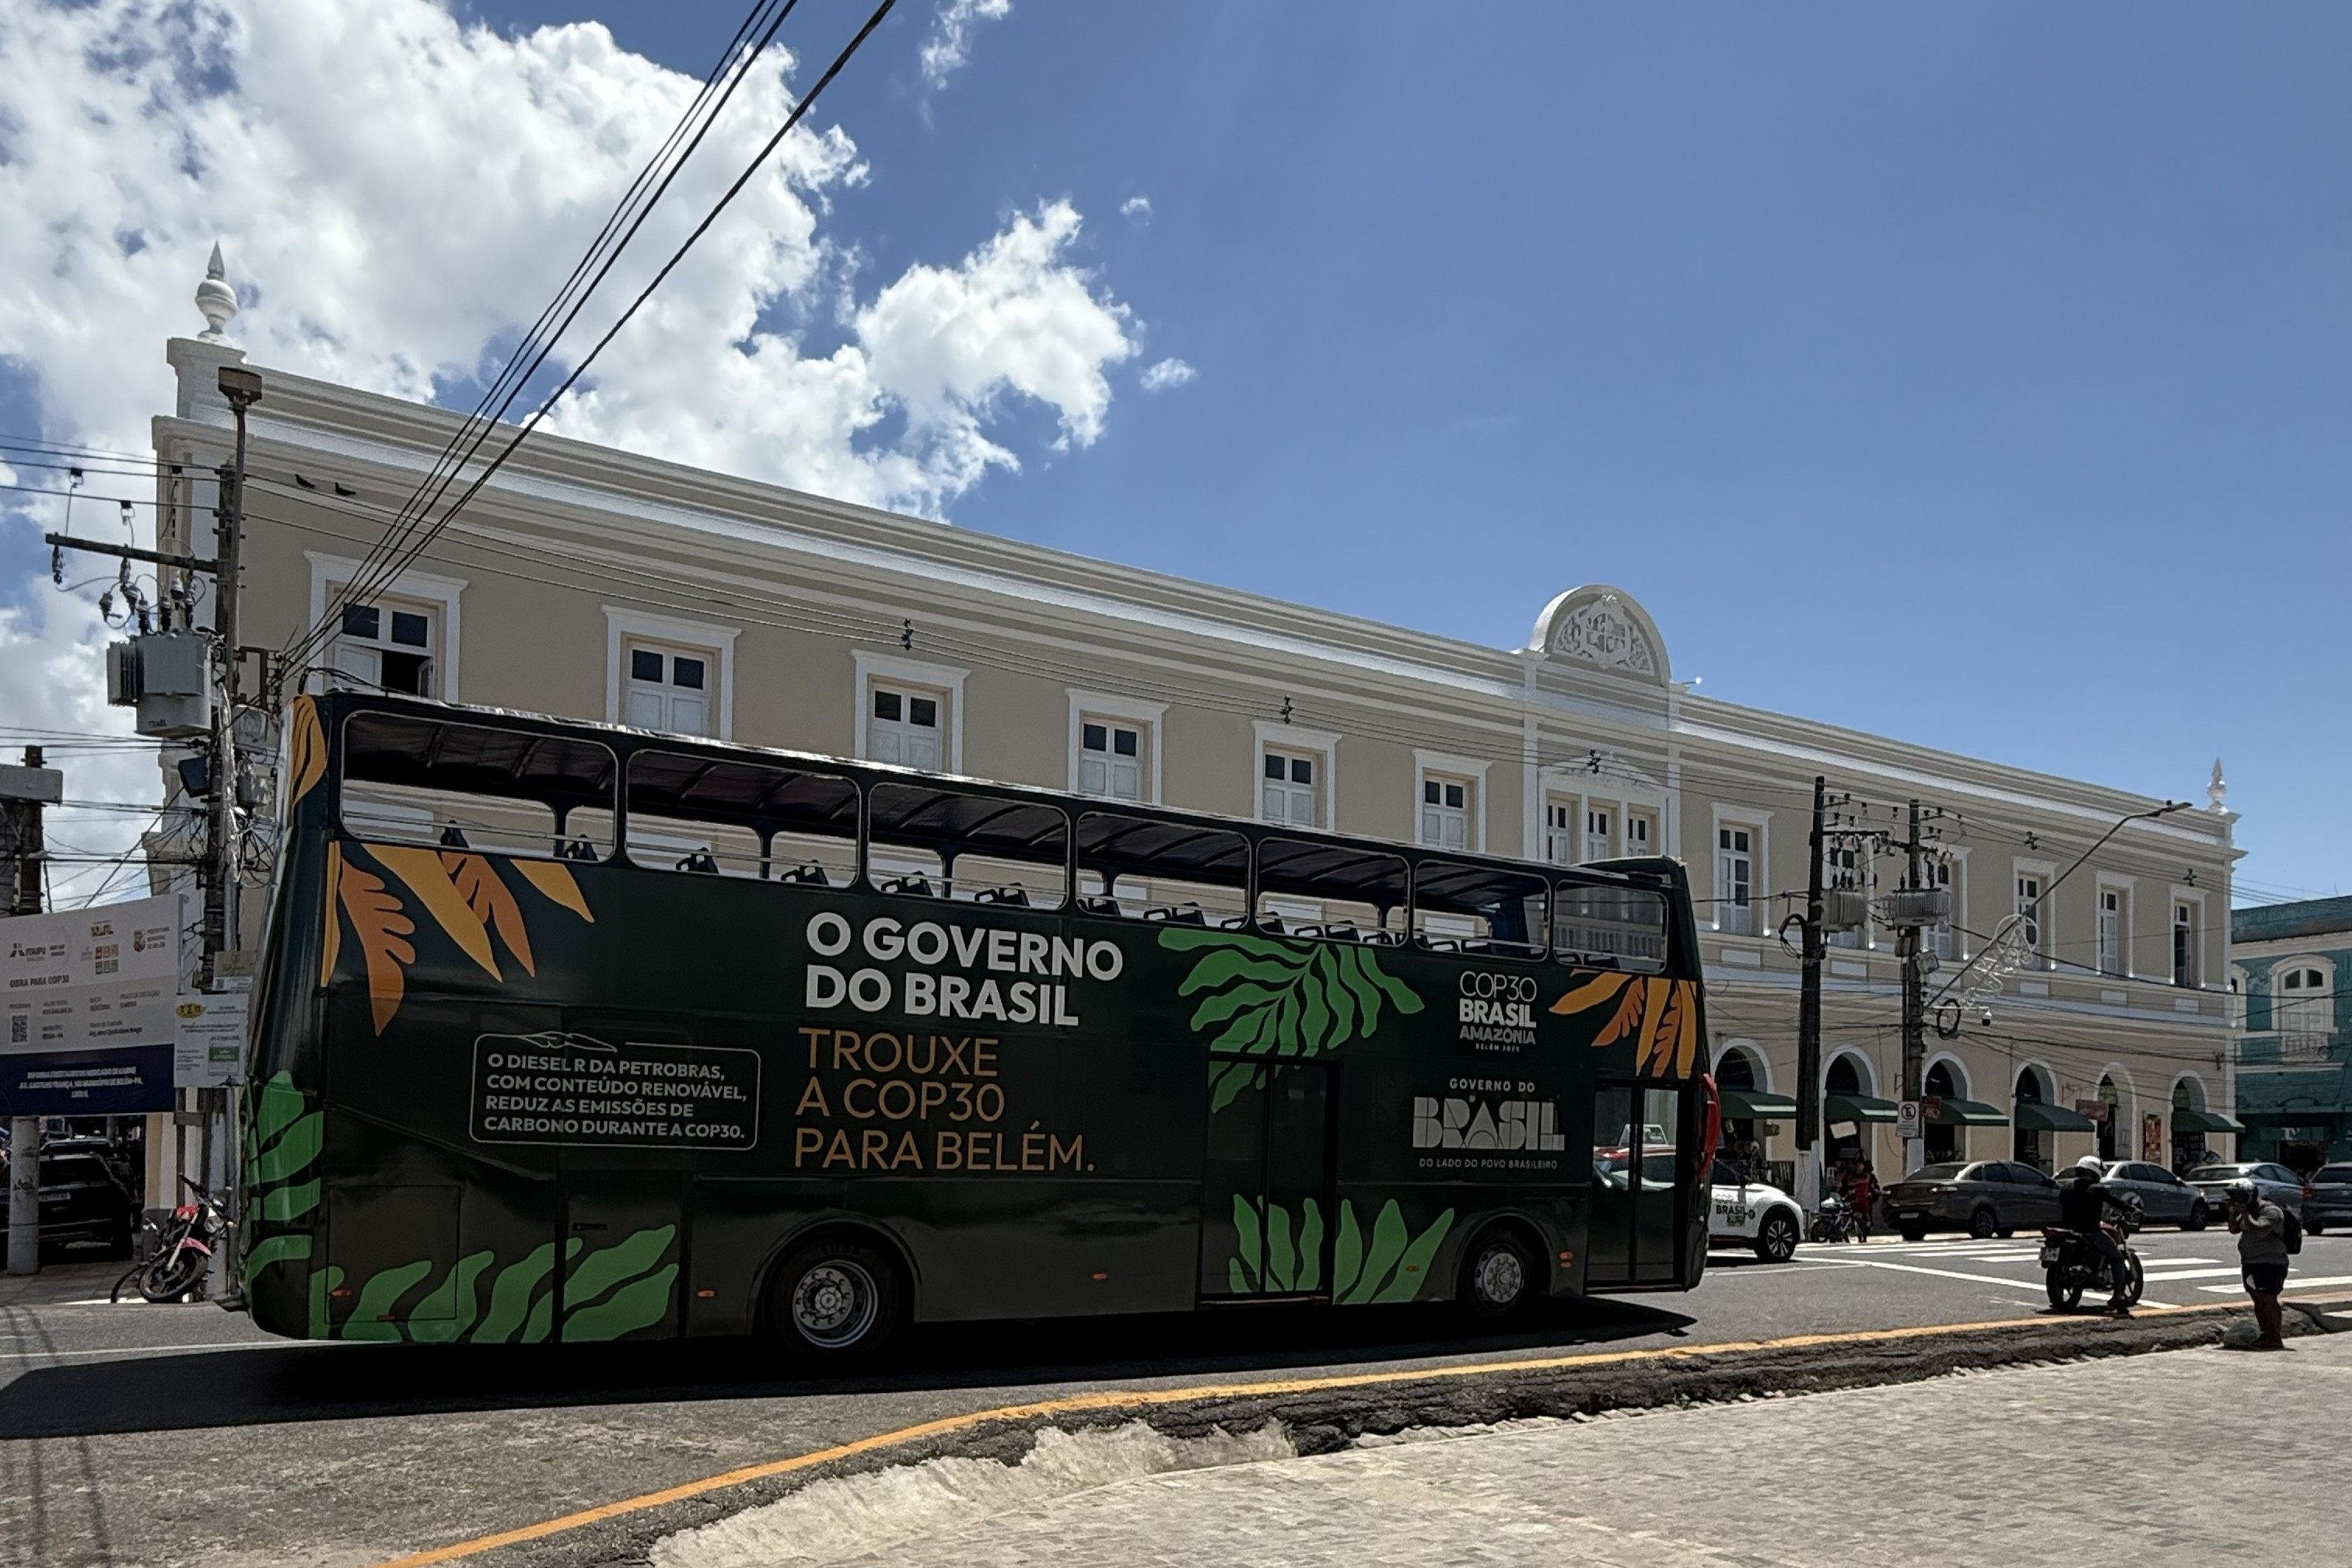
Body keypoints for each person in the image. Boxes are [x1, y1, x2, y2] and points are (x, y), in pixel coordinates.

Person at [2057, 1156, 2133, 1314]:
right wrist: (2131, 1209)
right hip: (2090, 1232)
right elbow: (2115, 1202)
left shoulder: (2066, 1188)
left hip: (2069, 1232)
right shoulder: (2097, 1189)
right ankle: (2118, 1297)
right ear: (2094, 1171)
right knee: (2117, 1259)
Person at [2227, 1178, 2290, 1349]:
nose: (2234, 1201)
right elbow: (2234, 1230)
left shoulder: (2270, 1211)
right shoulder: (2245, 1211)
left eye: (2236, 1198)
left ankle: (2274, 1337)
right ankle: (2265, 1334)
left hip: (2270, 1262)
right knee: (2257, 1299)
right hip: (2250, 1261)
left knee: (2268, 1299)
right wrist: (2233, 1214)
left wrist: (2246, 1215)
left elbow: (2261, 1230)